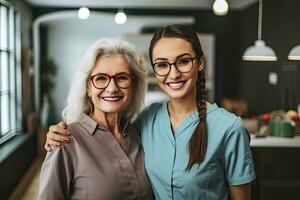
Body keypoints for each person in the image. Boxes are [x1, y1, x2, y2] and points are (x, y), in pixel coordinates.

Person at [45, 24, 256, 200]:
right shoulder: (147, 121)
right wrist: (55, 137)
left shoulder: (228, 128)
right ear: (87, 87)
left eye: (183, 61)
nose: (173, 74)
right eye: (163, 65)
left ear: (199, 62)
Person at [38, 38, 153, 200]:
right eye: (100, 78)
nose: (112, 88)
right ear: (88, 88)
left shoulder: (139, 133)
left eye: (121, 78)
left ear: (133, 86)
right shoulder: (64, 141)